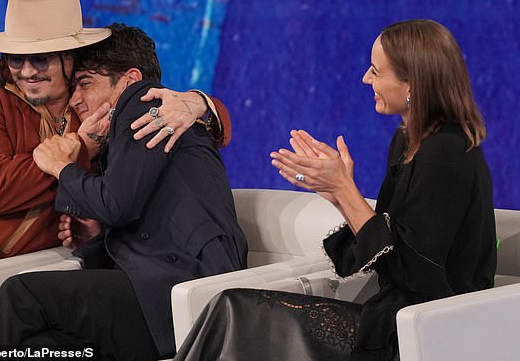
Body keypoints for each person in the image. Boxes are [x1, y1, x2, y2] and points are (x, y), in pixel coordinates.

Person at [0, 0, 231, 351]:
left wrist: (200, 103)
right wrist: (79, 148)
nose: (27, 70)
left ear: (71, 56)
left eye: (41, 58)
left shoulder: (98, 98)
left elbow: (157, 106)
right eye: (15, 58)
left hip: (15, 277)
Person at [173, 19, 497, 361]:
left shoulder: (448, 152)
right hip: (390, 320)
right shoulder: (409, 141)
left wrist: (345, 189)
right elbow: (378, 253)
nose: (365, 79)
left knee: (234, 309)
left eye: (376, 70)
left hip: (424, 332)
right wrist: (338, 195)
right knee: (230, 307)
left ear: (412, 83)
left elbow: (418, 274)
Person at [0, 23, 248, 360]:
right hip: (158, 291)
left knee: (21, 293)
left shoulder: (143, 104)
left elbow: (116, 205)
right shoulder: (145, 121)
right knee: (39, 350)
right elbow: (130, 205)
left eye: (85, 84)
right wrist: (96, 236)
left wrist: (61, 167)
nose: (75, 100)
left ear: (129, 79)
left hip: (181, 290)